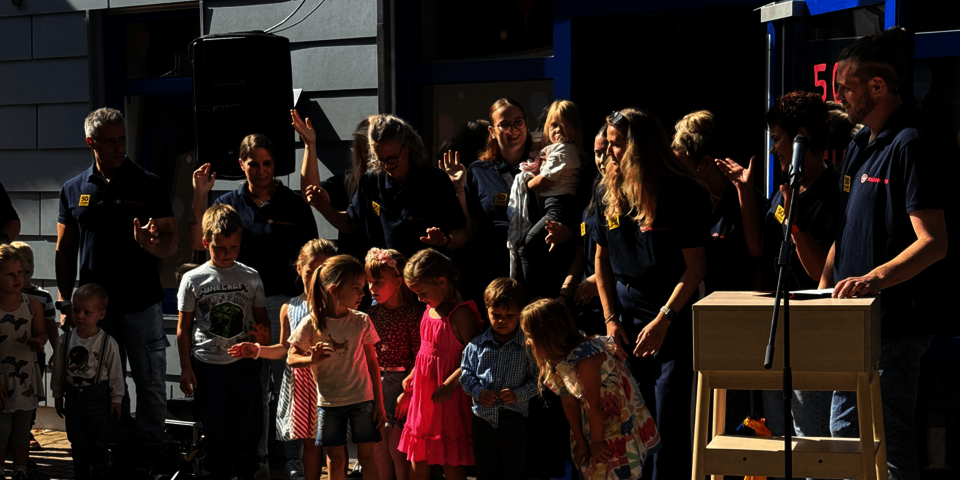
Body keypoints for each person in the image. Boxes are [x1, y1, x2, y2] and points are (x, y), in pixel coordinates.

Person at [821, 27, 950, 480]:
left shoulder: (911, 143)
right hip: (850, 321)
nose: (837, 97)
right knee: (842, 439)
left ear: (877, 87)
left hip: (895, 326)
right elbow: (848, 230)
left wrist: (873, 280)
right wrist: (822, 286)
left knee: (889, 448)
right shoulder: (859, 144)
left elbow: (933, 241)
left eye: (845, 88)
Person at [192, 120, 320, 475]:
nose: (260, 170)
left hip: (287, 304)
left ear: (274, 165)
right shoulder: (229, 204)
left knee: (291, 384)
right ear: (242, 165)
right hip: (241, 305)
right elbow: (201, 239)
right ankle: (258, 458)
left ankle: (293, 460)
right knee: (253, 386)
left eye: (267, 163)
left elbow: (312, 255)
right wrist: (200, 193)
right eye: (253, 163)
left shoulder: (293, 204)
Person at [56, 107, 177, 472]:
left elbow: (170, 244)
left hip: (141, 304)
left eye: (122, 138)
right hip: (96, 315)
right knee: (106, 383)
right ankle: (119, 447)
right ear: (91, 142)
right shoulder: (74, 189)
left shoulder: (148, 183)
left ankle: (154, 448)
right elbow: (65, 251)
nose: (119, 146)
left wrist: (149, 244)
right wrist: (65, 300)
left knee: (150, 382)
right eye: (110, 141)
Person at [594, 108, 709, 480]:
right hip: (625, 318)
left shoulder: (683, 191)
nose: (610, 154)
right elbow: (601, 260)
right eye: (608, 145)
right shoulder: (606, 190)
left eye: (617, 145)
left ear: (641, 146)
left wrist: (664, 319)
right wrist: (610, 320)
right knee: (630, 423)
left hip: (671, 317)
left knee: (669, 423)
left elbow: (695, 268)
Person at [177, 204, 272, 480]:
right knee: (216, 431)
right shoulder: (193, 279)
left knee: (247, 429)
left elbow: (261, 321)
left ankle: (245, 474)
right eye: (220, 249)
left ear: (240, 239)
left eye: (233, 248)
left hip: (243, 366)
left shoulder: (251, 277)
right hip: (207, 366)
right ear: (206, 242)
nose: (227, 254)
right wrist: (186, 368)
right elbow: (184, 328)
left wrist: (258, 349)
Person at [521, 298, 660, 480]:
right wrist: (581, 442)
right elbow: (568, 401)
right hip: (591, 423)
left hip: (611, 422)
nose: (527, 342)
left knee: (613, 469)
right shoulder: (556, 357)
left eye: (530, 336)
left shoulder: (586, 357)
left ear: (548, 335)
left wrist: (596, 443)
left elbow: (592, 403)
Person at [307, 115, 466, 260]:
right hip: (386, 279)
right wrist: (324, 208)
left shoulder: (435, 180)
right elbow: (350, 223)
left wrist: (444, 240)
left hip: (426, 279)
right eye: (380, 159)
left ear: (408, 146)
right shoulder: (371, 180)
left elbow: (461, 234)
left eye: (392, 158)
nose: (386, 165)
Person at [286, 254, 383, 480]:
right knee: (336, 459)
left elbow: (372, 362)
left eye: (363, 288)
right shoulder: (312, 323)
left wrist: (378, 402)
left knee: (368, 456)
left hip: (362, 400)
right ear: (334, 290)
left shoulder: (361, 320)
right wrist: (312, 359)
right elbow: (291, 358)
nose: (363, 293)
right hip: (329, 404)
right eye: (357, 288)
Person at [398, 249, 482, 480]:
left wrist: (449, 385)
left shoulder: (461, 314)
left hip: (449, 398)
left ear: (442, 281)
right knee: (419, 453)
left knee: (449, 457)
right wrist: (413, 377)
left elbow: (475, 357)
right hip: (424, 397)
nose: (419, 298)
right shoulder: (429, 310)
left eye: (422, 292)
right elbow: (426, 353)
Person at [266, 238, 337, 480]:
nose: (318, 277)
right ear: (299, 268)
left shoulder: (336, 306)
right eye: (312, 270)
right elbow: (284, 349)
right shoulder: (289, 307)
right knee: (310, 443)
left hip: (331, 382)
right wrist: (256, 350)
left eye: (325, 271)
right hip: (303, 386)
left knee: (334, 445)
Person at [672, 111, 764, 293]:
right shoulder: (688, 202)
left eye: (681, 167)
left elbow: (759, 257)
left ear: (705, 164)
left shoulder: (743, 196)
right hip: (703, 306)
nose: (675, 175)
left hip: (742, 305)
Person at [460, 277, 538, 480]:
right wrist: (479, 391)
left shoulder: (528, 347)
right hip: (482, 420)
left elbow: (538, 380)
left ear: (521, 313)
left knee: (515, 471)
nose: (502, 320)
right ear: (487, 311)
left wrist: (518, 394)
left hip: (514, 421)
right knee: (485, 472)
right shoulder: (476, 346)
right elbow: (466, 374)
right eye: (496, 315)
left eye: (510, 315)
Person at [510, 100, 583, 298]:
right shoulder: (557, 149)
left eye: (563, 125)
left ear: (574, 127)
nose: (558, 130)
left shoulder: (563, 149)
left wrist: (525, 184)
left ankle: (533, 296)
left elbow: (544, 181)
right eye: (553, 125)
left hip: (559, 206)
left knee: (526, 248)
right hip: (554, 206)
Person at [51, 283, 123, 480]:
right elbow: (58, 371)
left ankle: (100, 475)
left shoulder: (107, 342)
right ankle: (80, 475)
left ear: (101, 315)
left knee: (99, 443)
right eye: (76, 310)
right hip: (73, 397)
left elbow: (116, 373)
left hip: (98, 398)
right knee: (77, 442)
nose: (80, 315)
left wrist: (116, 399)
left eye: (87, 312)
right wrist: (57, 395)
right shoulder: (64, 341)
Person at [363, 248, 421, 480]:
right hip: (375, 384)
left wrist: (408, 392)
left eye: (378, 282)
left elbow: (421, 358)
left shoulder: (412, 315)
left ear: (398, 281)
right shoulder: (370, 315)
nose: (371, 288)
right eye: (369, 282)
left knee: (398, 449)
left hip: (402, 386)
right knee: (379, 447)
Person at [299, 113, 378, 261]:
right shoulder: (348, 181)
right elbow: (310, 192)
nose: (370, 155)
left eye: (372, 148)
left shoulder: (396, 184)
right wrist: (310, 145)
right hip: (352, 271)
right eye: (365, 149)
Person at [557, 126, 611, 336]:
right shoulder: (593, 193)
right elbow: (580, 255)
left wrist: (598, 280)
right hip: (586, 303)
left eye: (607, 151)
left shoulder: (629, 199)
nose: (602, 159)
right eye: (598, 153)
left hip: (616, 303)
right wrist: (564, 293)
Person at [0, 244, 47, 480]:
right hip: (1, 378)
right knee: (1, 430)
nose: (17, 278)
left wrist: (39, 341)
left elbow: (41, 332)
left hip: (25, 378)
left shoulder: (33, 304)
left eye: (21, 273)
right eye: (10, 274)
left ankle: (20, 471)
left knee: (21, 431)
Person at [11, 242, 60, 450]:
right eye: (22, 261)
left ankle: (26, 430)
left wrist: (57, 351)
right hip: (9, 354)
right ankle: (8, 434)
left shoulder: (43, 297)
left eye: (30, 260)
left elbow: (50, 327)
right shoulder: (5, 295)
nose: (27, 265)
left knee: (30, 394)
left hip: (34, 356)